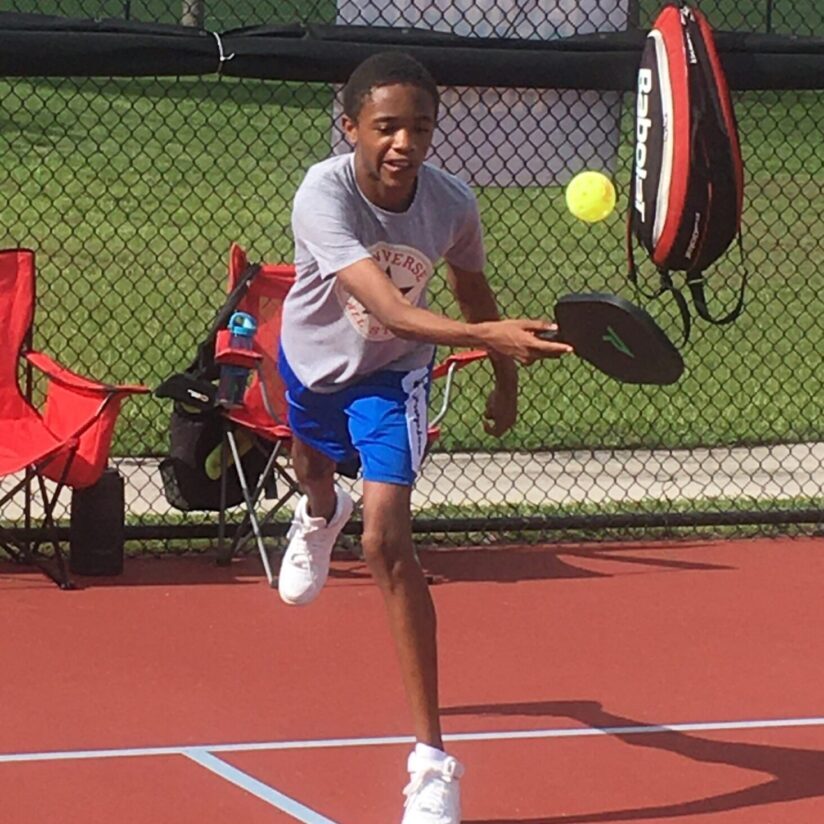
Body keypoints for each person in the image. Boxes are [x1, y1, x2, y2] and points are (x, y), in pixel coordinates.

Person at [276, 51, 572, 824]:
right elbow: (390, 302)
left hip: (393, 377)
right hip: (312, 365)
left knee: (386, 541)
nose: (404, 142)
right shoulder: (322, 192)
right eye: (386, 127)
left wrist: (504, 379)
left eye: (420, 126)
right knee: (310, 466)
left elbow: (471, 292)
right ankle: (316, 513)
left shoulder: (450, 203)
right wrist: (487, 336)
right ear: (351, 130)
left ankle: (432, 763)